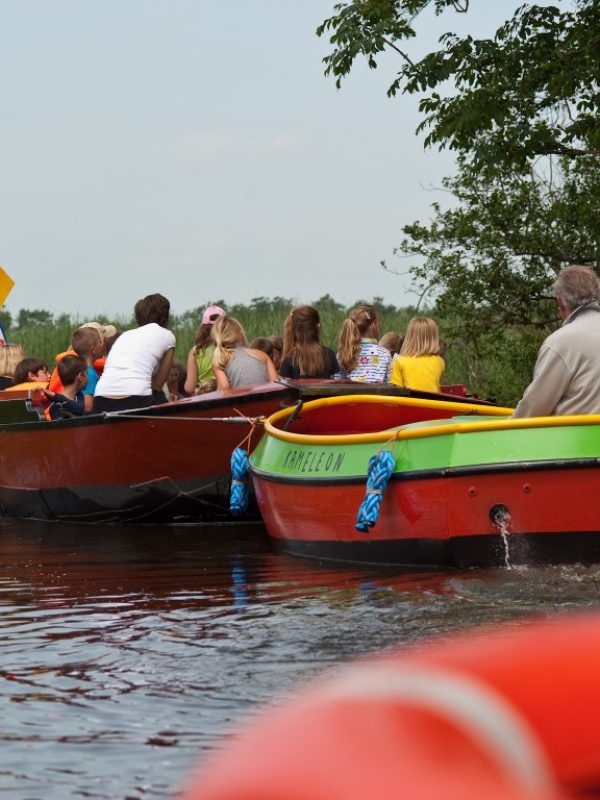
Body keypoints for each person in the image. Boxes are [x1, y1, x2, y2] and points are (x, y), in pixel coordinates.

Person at [513, 264, 600, 417]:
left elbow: (533, 409)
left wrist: (507, 429)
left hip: (578, 439)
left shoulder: (562, 342)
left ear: (559, 301)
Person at [94, 293, 176, 412]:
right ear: (165, 316)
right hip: (136, 399)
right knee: (159, 396)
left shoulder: (125, 335)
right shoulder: (167, 335)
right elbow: (158, 385)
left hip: (101, 398)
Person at [211, 315, 277, 389]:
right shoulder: (262, 355)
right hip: (267, 399)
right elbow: (275, 384)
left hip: (240, 400)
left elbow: (224, 388)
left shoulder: (220, 360)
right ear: (239, 334)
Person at [279, 305, 338, 379]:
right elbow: (333, 383)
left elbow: (287, 386)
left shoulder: (290, 357)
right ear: (317, 326)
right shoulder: (329, 354)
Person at [336, 304, 391, 383]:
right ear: (374, 324)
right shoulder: (385, 354)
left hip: (350, 395)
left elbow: (337, 382)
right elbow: (389, 385)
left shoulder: (343, 353)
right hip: (374, 395)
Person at [389, 317, 445, 393]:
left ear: (409, 337)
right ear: (433, 338)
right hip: (433, 403)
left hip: (410, 403)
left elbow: (397, 391)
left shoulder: (399, 361)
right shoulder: (439, 361)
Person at [184, 304, 225, 396]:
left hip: (204, 397)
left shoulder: (195, 352)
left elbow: (189, 388)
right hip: (224, 394)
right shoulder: (227, 349)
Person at [43, 355, 87, 420]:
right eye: (87, 373)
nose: (88, 378)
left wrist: (55, 396)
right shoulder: (55, 407)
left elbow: (79, 408)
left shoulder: (79, 396)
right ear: (81, 377)